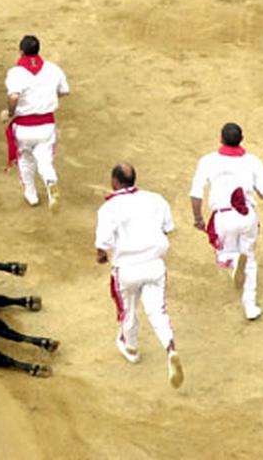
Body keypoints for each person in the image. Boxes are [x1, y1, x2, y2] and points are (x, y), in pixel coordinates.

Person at [95, 163, 184, 389]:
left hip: (127, 268)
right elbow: (167, 228)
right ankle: (170, 348)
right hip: (154, 265)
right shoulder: (156, 199)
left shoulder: (109, 207)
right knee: (158, 311)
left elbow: (103, 242)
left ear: (114, 181)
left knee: (128, 310)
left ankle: (131, 348)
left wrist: (101, 256)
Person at [190, 122, 263, 321]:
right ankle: (250, 306)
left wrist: (198, 218)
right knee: (250, 258)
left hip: (223, 216)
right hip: (247, 216)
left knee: (225, 254)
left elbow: (196, 193)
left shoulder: (208, 161)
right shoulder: (253, 161)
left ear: (221, 138)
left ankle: (235, 262)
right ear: (241, 139)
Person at [1, 35, 69, 209]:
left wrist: (9, 112)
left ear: (21, 52)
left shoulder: (16, 73)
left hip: (24, 127)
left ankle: (31, 195)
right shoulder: (53, 69)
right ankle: (50, 181)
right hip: (46, 125)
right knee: (45, 159)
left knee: (25, 159)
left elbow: (14, 96)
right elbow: (64, 91)